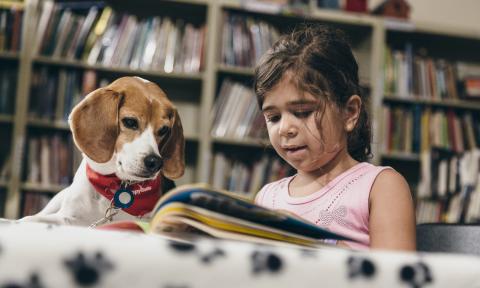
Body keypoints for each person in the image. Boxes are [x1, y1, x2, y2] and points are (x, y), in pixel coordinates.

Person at [253, 24, 415, 250]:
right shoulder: (266, 198)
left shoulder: (380, 186)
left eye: (303, 112)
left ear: (349, 113)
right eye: (274, 117)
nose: (285, 128)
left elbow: (398, 278)